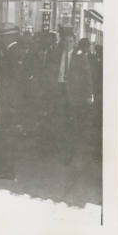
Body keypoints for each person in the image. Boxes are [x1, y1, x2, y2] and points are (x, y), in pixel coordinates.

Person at [45, 27, 94, 165]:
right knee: (58, 121)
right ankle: (59, 148)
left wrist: (89, 94)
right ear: (62, 42)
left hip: (73, 94)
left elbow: (87, 77)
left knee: (72, 123)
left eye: (71, 41)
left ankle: (71, 153)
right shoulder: (56, 55)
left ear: (75, 42)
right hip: (59, 90)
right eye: (66, 41)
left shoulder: (80, 57)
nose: (68, 44)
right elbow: (49, 73)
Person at [0, 23, 21, 180]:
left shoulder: (11, 53)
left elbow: (5, 79)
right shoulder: (14, 52)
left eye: (1, 37)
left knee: (6, 136)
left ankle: (7, 170)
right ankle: (4, 167)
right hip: (10, 102)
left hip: (7, 102)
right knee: (6, 136)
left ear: (7, 37)